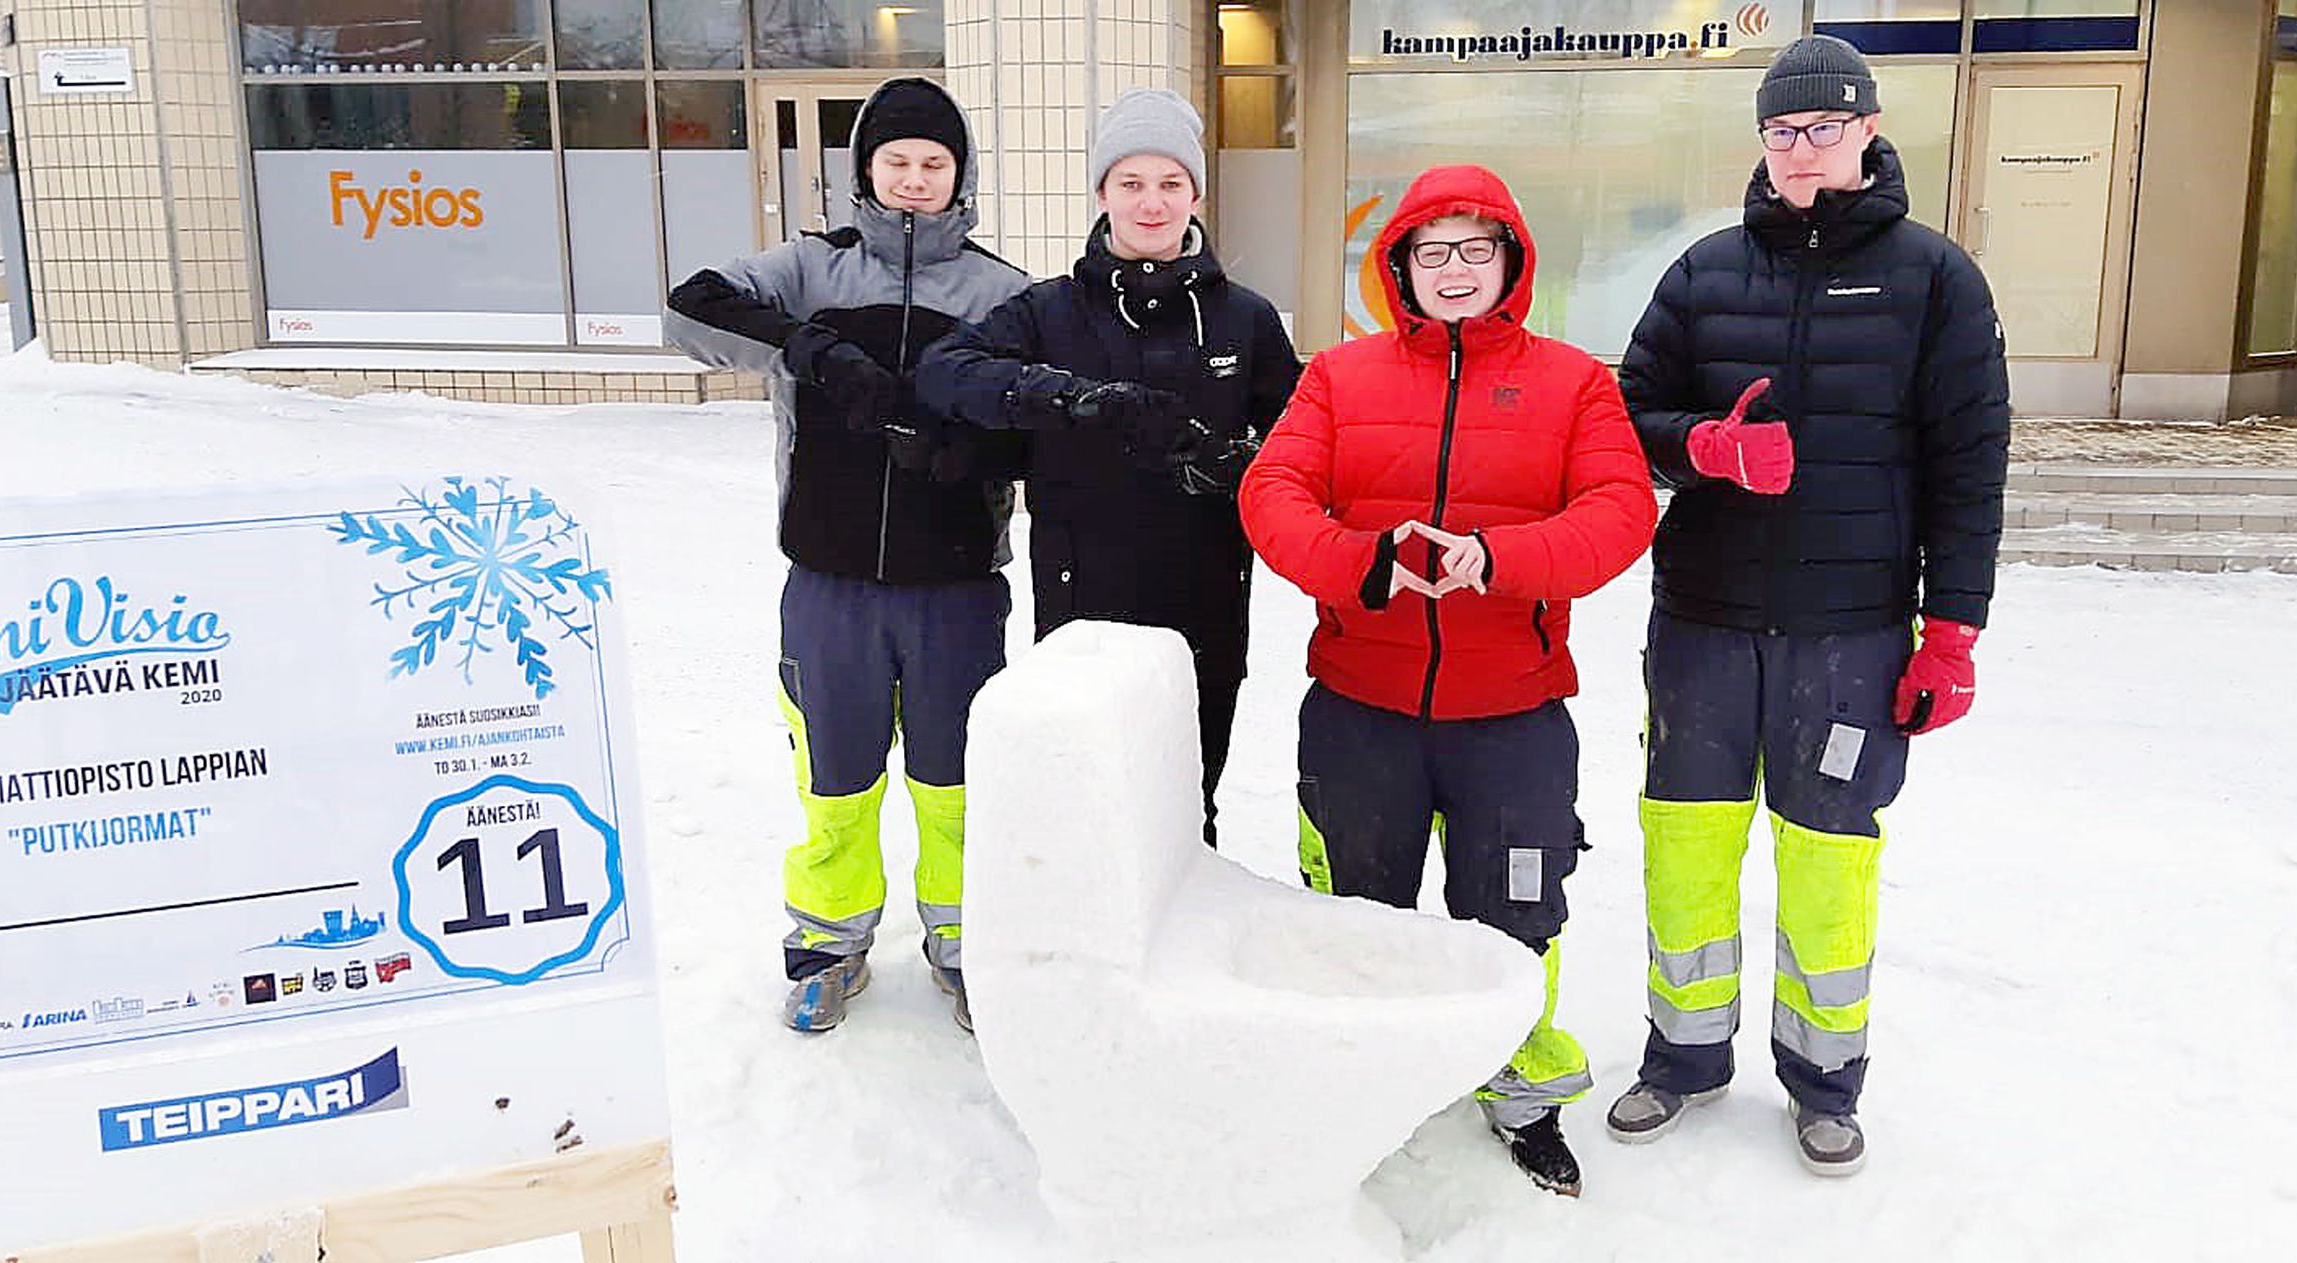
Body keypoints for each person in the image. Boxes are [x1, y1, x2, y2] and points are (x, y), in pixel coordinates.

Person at [1607, 34, 2010, 1176]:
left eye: (1822, 129)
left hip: (1851, 626)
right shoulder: (1702, 273)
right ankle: (1681, 1058)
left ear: (1869, 131)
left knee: (1828, 854)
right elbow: (1623, 417)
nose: (1799, 151)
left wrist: (1953, 631)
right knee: (1684, 845)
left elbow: (1968, 463)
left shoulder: (1933, 280)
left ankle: (1822, 1079)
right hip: (1701, 620)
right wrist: (1705, 450)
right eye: (1781, 132)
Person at [1238, 164, 1658, 1198]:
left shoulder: (1574, 383)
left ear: (1510, 261)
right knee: (1357, 914)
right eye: (1433, 251)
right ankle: (1359, 1086)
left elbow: (1617, 511)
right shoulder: (1339, 378)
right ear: (1398, 268)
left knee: (1513, 917)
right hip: (1359, 706)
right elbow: (1271, 492)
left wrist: (1498, 557)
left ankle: (1515, 1090)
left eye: (1477, 248)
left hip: (1510, 712)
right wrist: (1365, 560)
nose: (1455, 269)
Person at [664, 77, 1029, 1035]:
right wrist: (809, 350)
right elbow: (690, 311)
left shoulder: (1002, 293)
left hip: (955, 588)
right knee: (837, 776)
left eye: (934, 164)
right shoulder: (810, 268)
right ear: (866, 169)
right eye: (896, 162)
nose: (914, 180)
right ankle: (830, 943)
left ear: (962, 176)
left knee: (956, 778)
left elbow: (1035, 420)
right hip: (828, 583)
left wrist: (977, 450)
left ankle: (964, 943)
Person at [916, 87, 1299, 844]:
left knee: (1188, 803)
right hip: (1083, 595)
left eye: (1169, 184)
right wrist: (1076, 400)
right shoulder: (1047, 311)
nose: (1151, 204)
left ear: (1196, 192)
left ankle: (1180, 942)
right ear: (1101, 193)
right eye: (1130, 183)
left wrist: (1238, 466)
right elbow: (944, 371)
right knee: (1086, 801)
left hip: (1206, 601)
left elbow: (1302, 442)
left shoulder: (1246, 318)